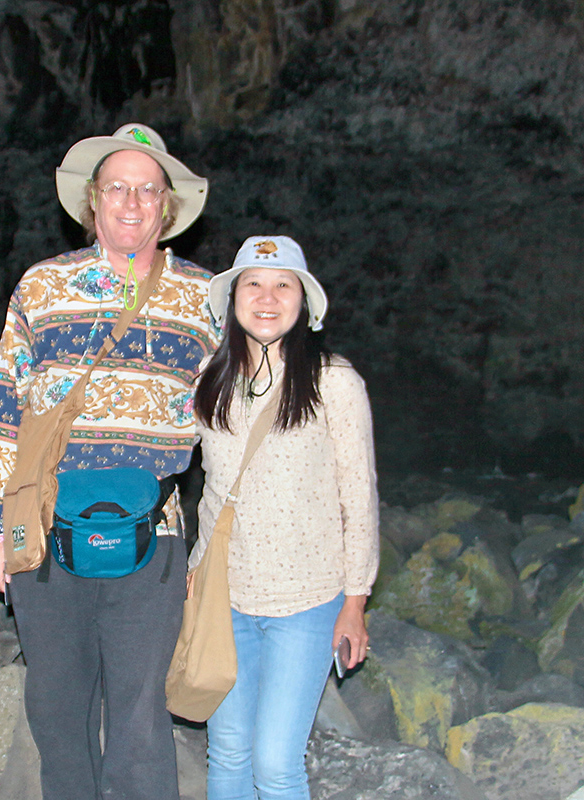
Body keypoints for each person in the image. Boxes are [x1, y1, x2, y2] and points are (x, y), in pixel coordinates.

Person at [0, 123, 219, 800]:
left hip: (153, 531)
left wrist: (219, 546)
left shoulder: (206, 299)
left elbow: (238, 420)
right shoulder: (42, 287)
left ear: (167, 205)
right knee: (55, 706)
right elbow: (3, 403)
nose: (132, 203)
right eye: (117, 188)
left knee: (139, 717)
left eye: (147, 190)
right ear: (92, 202)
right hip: (44, 524)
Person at [190, 235, 380, 800]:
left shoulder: (334, 382)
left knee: (275, 764)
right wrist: (193, 571)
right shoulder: (206, 378)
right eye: (253, 283)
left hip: (307, 598)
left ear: (303, 303)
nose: (267, 297)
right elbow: (198, 484)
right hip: (224, 595)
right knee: (227, 754)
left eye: (283, 285)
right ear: (233, 298)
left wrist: (356, 601)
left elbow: (359, 497)